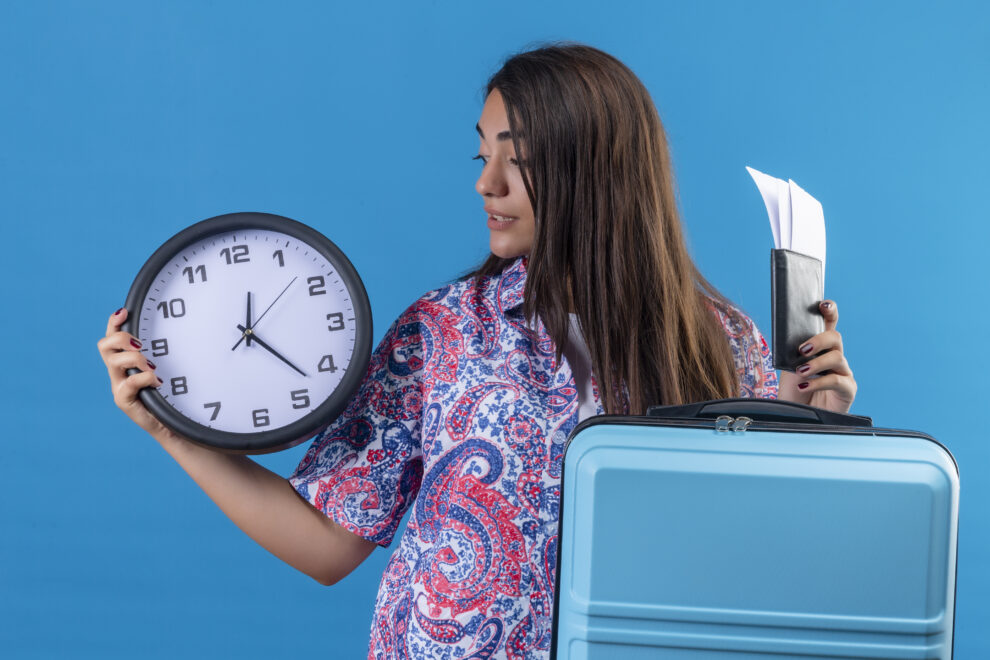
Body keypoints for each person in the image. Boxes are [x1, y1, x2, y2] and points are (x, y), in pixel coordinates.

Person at [98, 43, 856, 658]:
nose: (485, 184)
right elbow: (326, 543)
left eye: (516, 157)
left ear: (597, 169)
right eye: (479, 156)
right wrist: (173, 432)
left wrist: (804, 433)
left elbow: (754, 569)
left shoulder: (727, 345)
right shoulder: (441, 331)